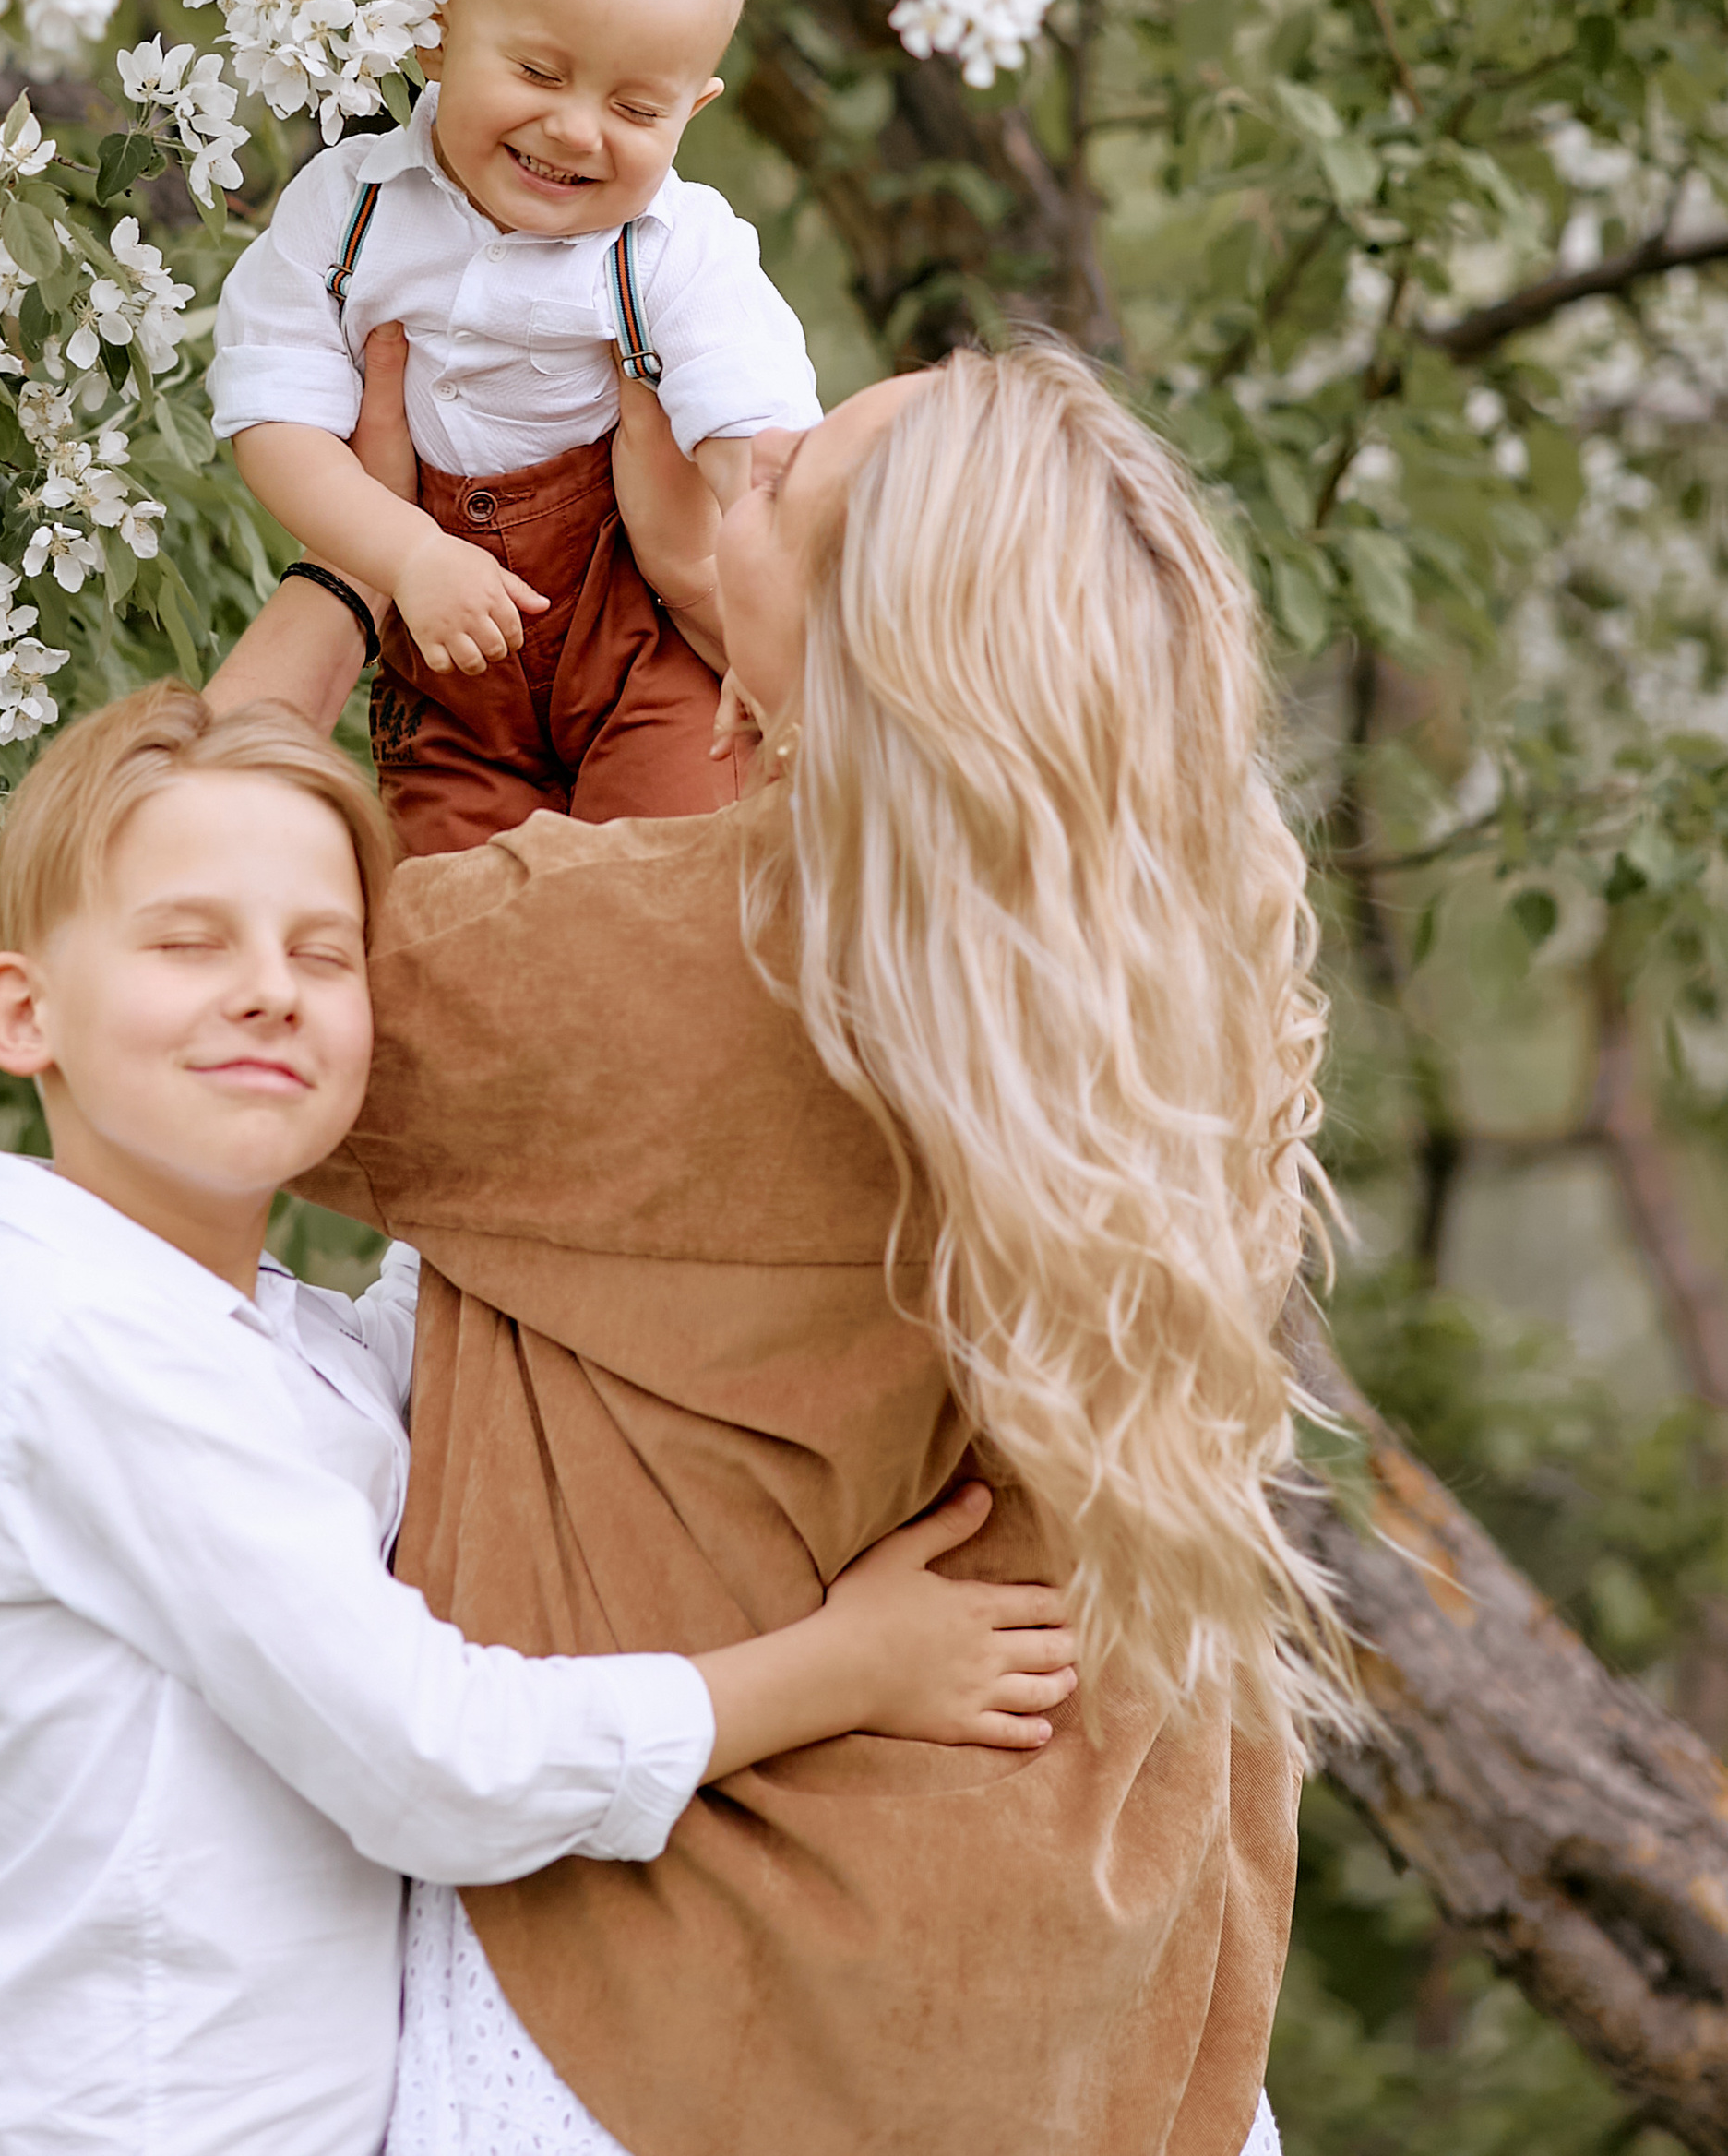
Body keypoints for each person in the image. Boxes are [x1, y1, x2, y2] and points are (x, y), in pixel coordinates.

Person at [211, 331, 1342, 2156]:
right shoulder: (1181, 999)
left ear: (875, 652)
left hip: (685, 2017)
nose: (751, 451)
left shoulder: (629, 970)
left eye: (782, 486)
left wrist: (353, 555)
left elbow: (184, 959)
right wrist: (738, 604)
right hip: (1101, 2027)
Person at [0, 683, 1084, 2156]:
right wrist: (845, 1670)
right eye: (189, 941)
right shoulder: (86, 1351)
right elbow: (431, 1764)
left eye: (323, 953)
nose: (269, 986)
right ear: (24, 1013)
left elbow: (468, 1324)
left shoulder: (257, 1333)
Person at [208, 0, 823, 853]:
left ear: (693, 111)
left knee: (660, 892)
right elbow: (273, 420)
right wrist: (405, 553)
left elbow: (748, 425)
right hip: (446, 671)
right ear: (436, 27)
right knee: (453, 933)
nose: (578, 130)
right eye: (539, 74)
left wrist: (749, 536)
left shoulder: (672, 245)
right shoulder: (347, 213)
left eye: (635, 106)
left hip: (644, 646)